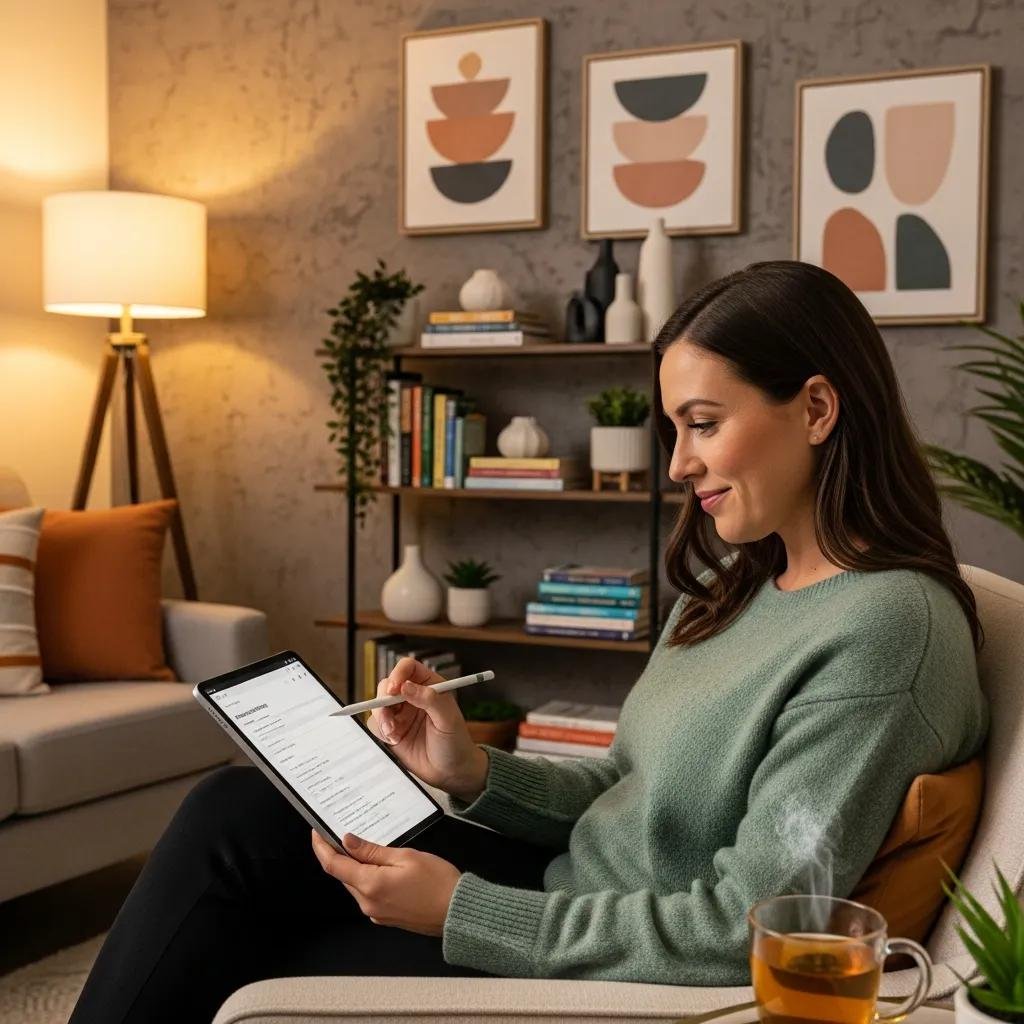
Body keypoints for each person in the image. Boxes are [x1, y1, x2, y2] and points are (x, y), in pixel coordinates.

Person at [69, 260, 988, 1023]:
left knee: (243, 948)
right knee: (241, 810)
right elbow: (631, 790)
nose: (677, 464)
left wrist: (461, 911)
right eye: (674, 429)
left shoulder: (884, 628)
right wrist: (472, 771)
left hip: (601, 959)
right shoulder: (737, 586)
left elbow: (748, 927)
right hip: (567, 889)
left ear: (818, 409)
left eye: (704, 424)